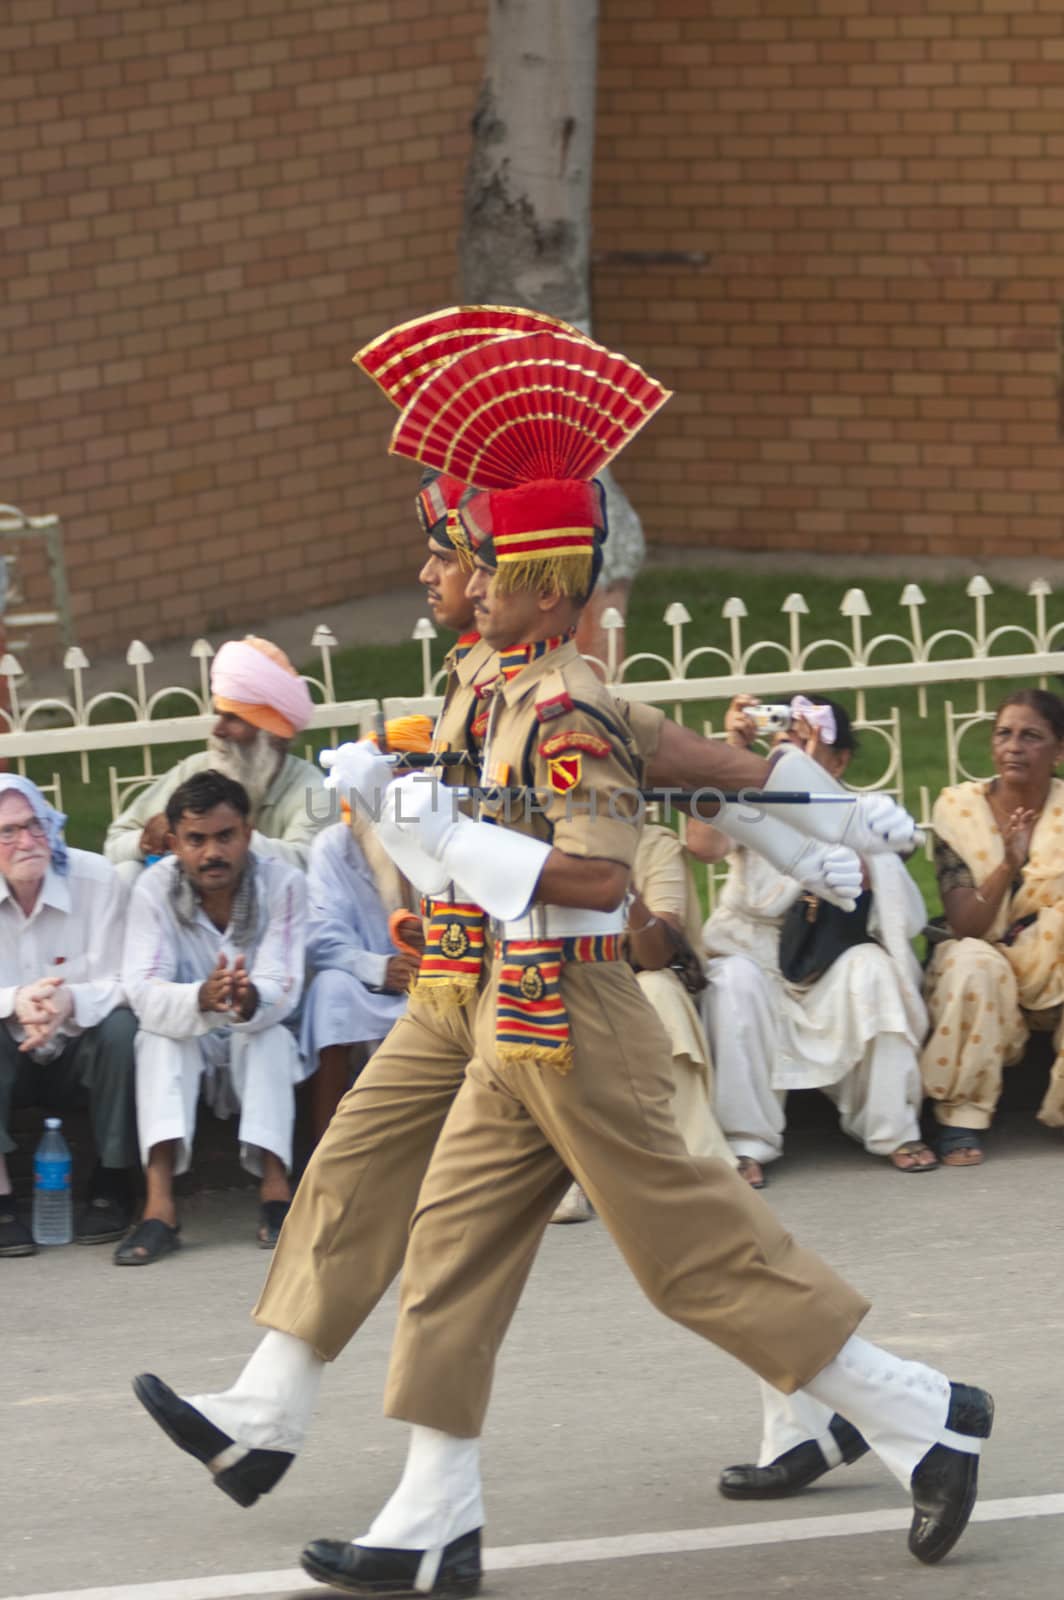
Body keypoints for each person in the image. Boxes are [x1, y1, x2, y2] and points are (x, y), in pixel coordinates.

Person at [127, 312, 922, 1528]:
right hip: (469, 987)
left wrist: (444, 831)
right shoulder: (483, 680)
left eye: (458, 558)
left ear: (526, 575)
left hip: (564, 1001)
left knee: (685, 1250)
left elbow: (602, 869)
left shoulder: (562, 707)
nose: (440, 578)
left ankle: (910, 1407)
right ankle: (292, 1424)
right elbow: (692, 761)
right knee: (382, 1192)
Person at [693, 694, 933, 1187]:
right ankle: (746, 1141)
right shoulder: (748, 799)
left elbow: (897, 906)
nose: (791, 759)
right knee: (734, 983)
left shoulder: (857, 812)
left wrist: (864, 863)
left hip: (826, 963)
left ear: (839, 761)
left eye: (806, 744)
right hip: (752, 953)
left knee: (874, 969)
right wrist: (732, 750)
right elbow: (702, 844)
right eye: (783, 745)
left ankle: (893, 1128)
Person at [117, 770, 307, 1264]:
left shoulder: (283, 884)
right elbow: (142, 987)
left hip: (254, 1027)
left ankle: (276, 1191)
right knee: (156, 1039)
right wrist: (200, 999)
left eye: (225, 837)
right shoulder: (152, 888)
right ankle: (159, 1207)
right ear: (175, 843)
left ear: (247, 833)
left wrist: (247, 999)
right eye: (196, 840)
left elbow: (283, 980)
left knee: (267, 1039)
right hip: (189, 1030)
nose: (212, 853)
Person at [553, 820, 737, 1224]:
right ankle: (572, 1175)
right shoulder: (537, 845)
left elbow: (656, 953)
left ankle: (694, 1160)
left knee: (658, 991)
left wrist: (625, 893)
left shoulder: (653, 844)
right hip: (566, 980)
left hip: (637, 977)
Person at [921, 687, 1064, 1164]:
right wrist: (1009, 862)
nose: (1014, 747)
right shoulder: (959, 810)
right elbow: (965, 924)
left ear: (1059, 750)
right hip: (982, 949)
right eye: (1004, 734)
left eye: (1031, 737)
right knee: (972, 962)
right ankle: (960, 1117)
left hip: (1055, 961)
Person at [0, 776, 138, 1259]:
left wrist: (68, 1003)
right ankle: (0, 1200)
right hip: (9, 1057)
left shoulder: (97, 879)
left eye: (34, 825)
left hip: (82, 1052)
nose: (26, 842)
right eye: (7, 833)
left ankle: (113, 1181)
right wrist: (15, 1000)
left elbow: (128, 979)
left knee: (123, 1028)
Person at [301, 722, 434, 1139]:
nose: (396, 790)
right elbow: (323, 939)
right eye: (386, 779)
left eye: (406, 777)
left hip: (449, 980)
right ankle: (326, 1146)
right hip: (373, 990)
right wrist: (380, 968)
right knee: (330, 992)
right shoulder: (335, 846)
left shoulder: (453, 836)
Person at [104, 635, 325, 878]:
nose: (217, 731)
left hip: (274, 910)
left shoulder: (316, 791)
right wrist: (146, 840)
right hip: (186, 907)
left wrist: (215, 830)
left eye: (233, 719)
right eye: (219, 716)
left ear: (271, 731)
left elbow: (308, 865)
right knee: (126, 872)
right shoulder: (196, 770)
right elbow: (113, 845)